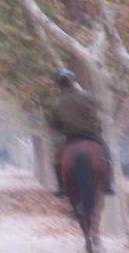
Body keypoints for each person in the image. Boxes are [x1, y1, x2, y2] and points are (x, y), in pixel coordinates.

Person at [46, 67, 115, 196]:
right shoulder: (88, 96)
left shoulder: (58, 103)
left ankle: (61, 186)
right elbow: (98, 113)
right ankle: (109, 183)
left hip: (71, 136)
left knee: (57, 159)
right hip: (91, 134)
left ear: (60, 85)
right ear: (73, 81)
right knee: (106, 153)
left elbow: (55, 125)